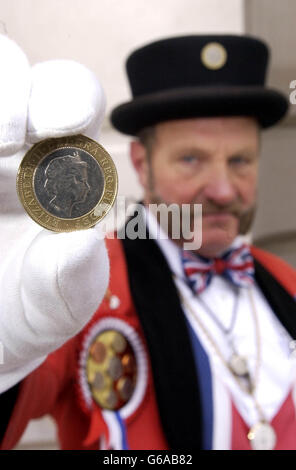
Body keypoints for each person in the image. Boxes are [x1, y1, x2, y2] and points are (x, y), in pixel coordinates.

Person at [1, 34, 296, 451]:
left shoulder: (287, 283)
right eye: (191, 159)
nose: (224, 190)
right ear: (141, 163)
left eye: (240, 161)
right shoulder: (74, 282)